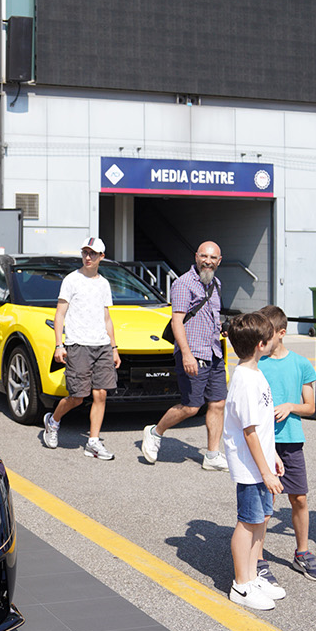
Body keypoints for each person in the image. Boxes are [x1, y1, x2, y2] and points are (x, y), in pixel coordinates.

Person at [141, 241, 228, 470]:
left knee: (218, 403)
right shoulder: (183, 283)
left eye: (213, 257)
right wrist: (187, 354)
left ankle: (212, 455)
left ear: (219, 261)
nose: (207, 261)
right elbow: (177, 321)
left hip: (214, 351)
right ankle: (155, 431)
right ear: (196, 257)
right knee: (191, 406)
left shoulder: (216, 284)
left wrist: (222, 328)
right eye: (204, 256)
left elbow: (212, 317)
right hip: (193, 352)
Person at [222, 311, 286, 611]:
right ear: (261, 344)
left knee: (260, 521)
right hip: (250, 468)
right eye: (272, 335)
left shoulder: (255, 373)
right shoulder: (245, 380)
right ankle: (242, 583)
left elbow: (260, 425)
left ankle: (252, 575)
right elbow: (249, 432)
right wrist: (265, 470)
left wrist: (272, 456)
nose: (276, 338)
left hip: (260, 464)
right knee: (248, 523)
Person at [256, 305, 316, 582]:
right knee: (264, 504)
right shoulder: (256, 364)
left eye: (267, 334)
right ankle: (257, 558)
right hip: (264, 442)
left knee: (299, 498)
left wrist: (290, 405)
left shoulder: (300, 364)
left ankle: (302, 552)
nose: (262, 340)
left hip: (292, 441)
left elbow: (311, 406)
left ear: (281, 333)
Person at [41, 237, 120, 461]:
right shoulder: (71, 280)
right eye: (85, 252)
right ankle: (53, 421)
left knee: (101, 394)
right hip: (78, 344)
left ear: (101, 257)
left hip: (102, 345)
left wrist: (114, 347)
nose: (88, 257)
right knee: (77, 396)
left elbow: (106, 317)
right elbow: (60, 314)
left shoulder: (104, 284)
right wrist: (59, 344)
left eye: (93, 253)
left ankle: (93, 442)